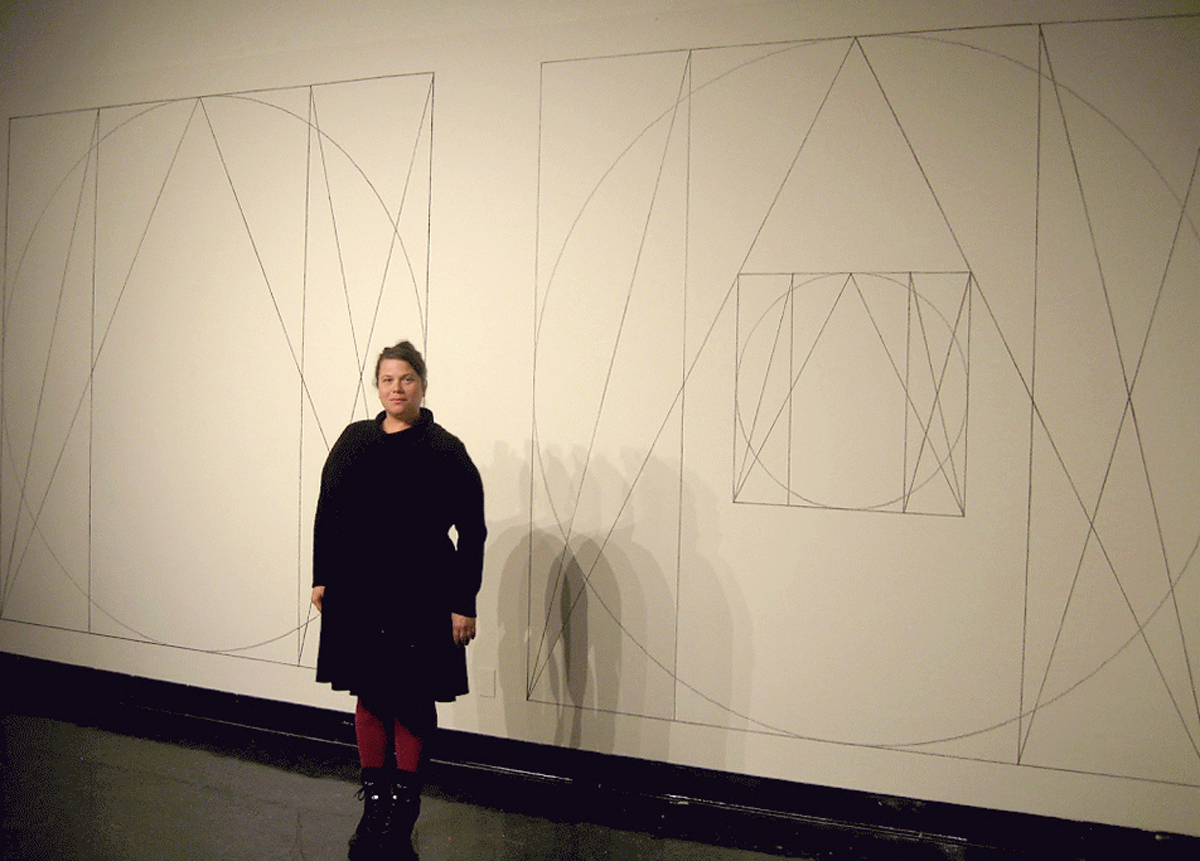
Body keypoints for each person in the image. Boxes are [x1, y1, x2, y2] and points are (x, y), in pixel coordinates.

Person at [310, 340, 486, 860]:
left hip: (423, 591)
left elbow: (472, 531)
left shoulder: (445, 448)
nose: (397, 389)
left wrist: (465, 601)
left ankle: (404, 810)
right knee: (370, 696)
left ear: (422, 385)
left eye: (406, 379)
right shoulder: (355, 441)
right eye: (387, 380)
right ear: (377, 386)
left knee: (412, 698)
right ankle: (374, 806)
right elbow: (328, 511)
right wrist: (322, 577)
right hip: (360, 589)